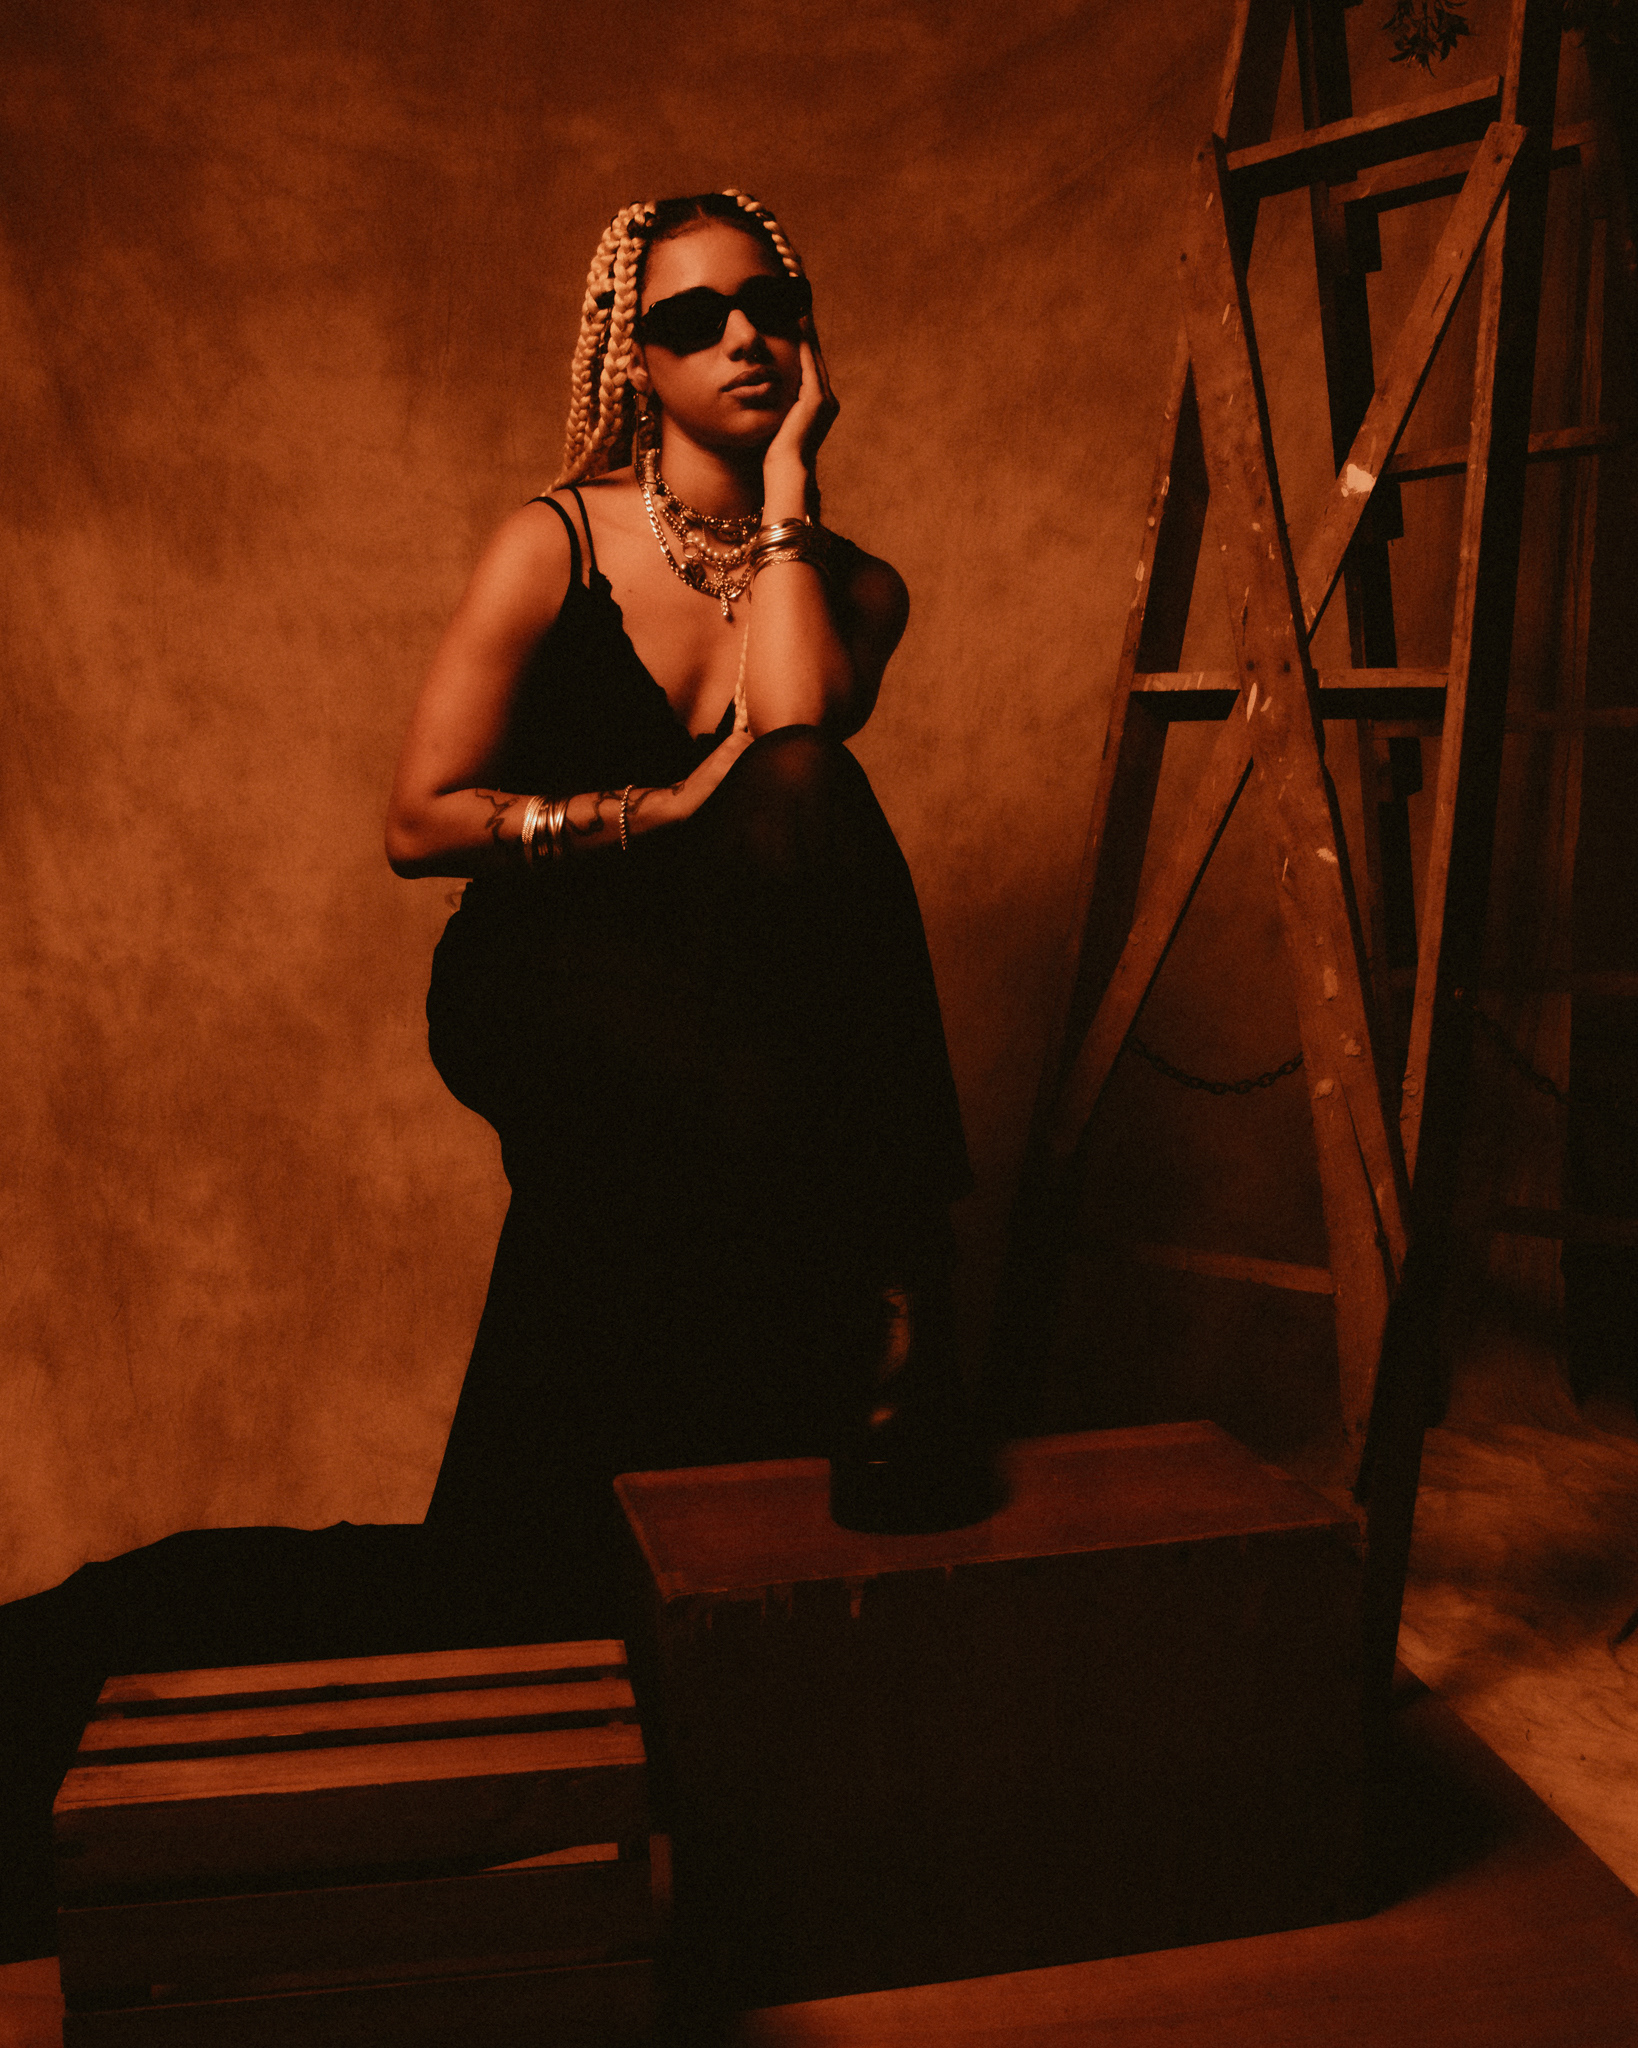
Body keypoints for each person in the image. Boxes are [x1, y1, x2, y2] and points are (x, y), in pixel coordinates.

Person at [385, 190, 988, 1636]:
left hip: (722, 997)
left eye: (768, 307)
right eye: (692, 319)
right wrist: (635, 815)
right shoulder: (554, 541)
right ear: (636, 362)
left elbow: (794, 729)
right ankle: (894, 1297)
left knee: (805, 786)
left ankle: (727, 1548)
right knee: (769, 1080)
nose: (741, 339)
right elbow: (418, 823)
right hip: (539, 965)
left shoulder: (856, 587)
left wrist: (787, 495)